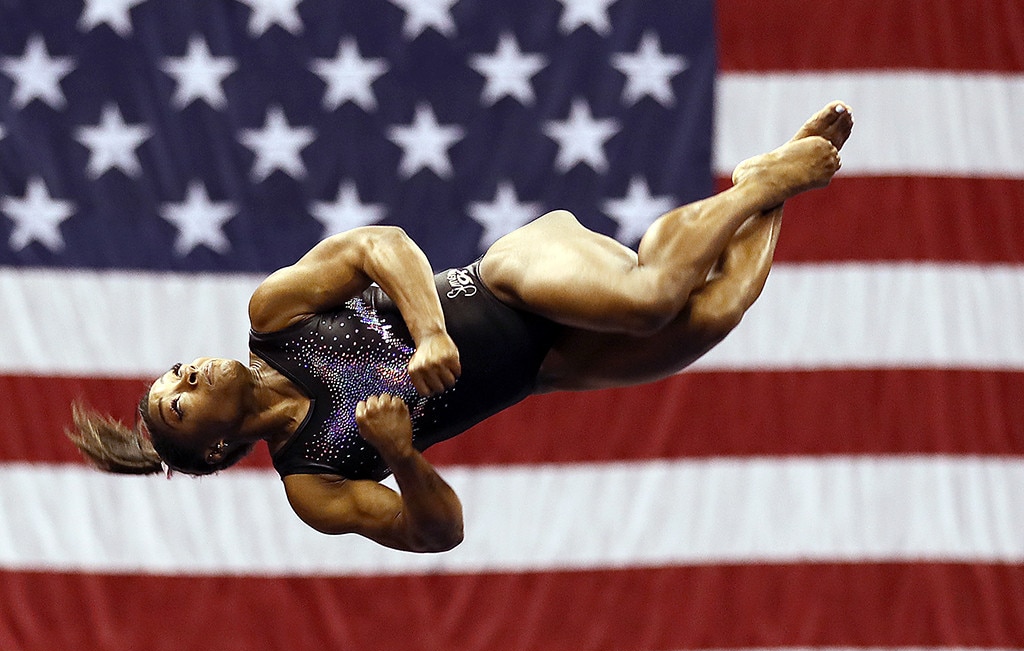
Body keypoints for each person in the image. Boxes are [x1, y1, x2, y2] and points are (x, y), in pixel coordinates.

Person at [69, 102, 853, 553]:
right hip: (549, 363)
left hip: (512, 274)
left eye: (174, 371)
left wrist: (432, 331)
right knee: (718, 310)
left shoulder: (274, 318)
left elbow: (382, 243)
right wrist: (401, 455)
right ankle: (767, 189)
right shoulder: (312, 480)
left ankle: (762, 180)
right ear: (213, 446)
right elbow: (436, 533)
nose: (187, 376)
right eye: (178, 402)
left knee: (652, 297)